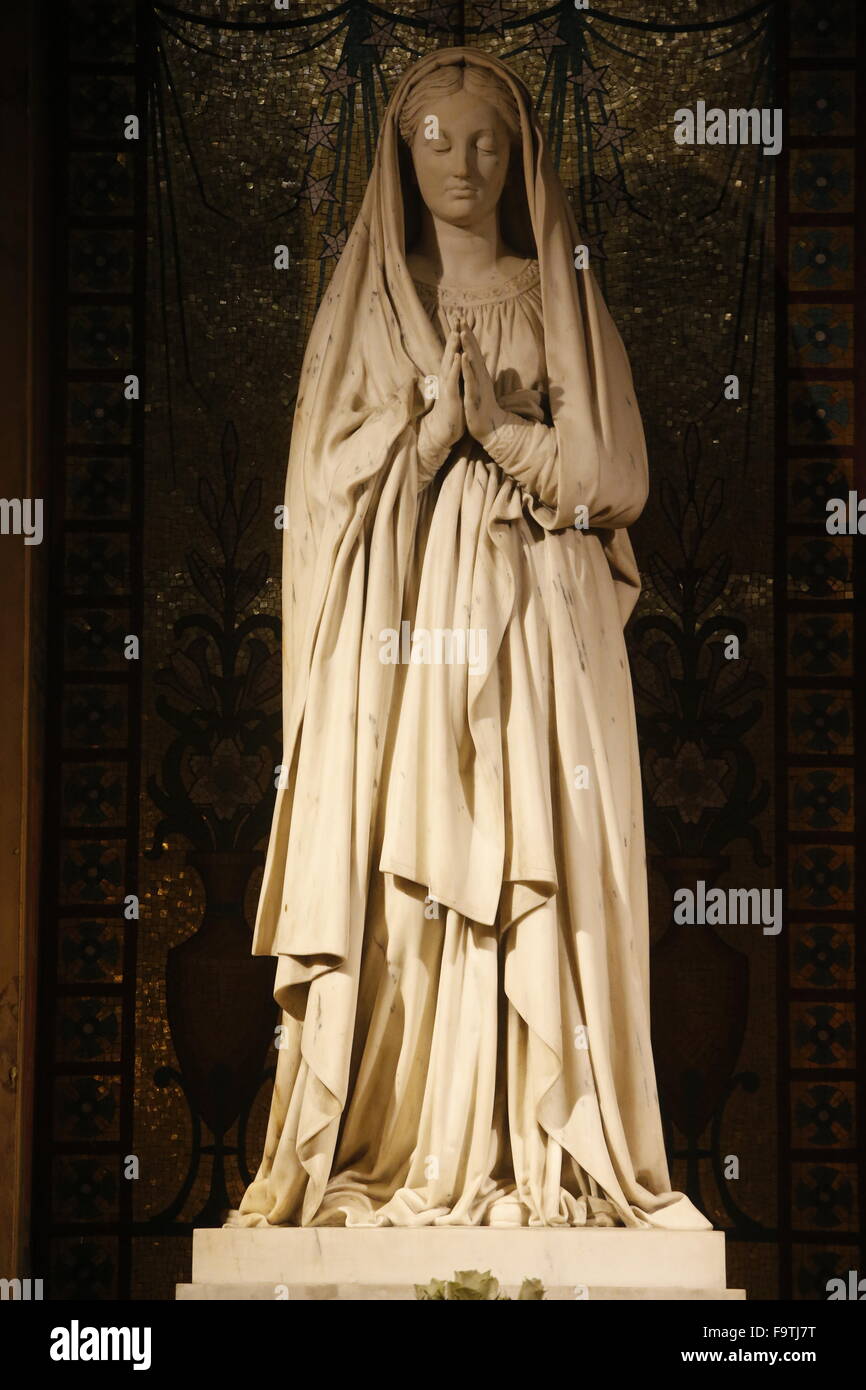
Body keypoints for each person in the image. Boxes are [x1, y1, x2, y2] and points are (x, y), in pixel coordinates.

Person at [226, 47, 711, 1231]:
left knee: (542, 861)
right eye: (434, 139)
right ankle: (408, 1141)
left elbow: (611, 475)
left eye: (484, 139)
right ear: (401, 155)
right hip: (401, 643)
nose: (460, 161)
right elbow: (326, 489)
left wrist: (500, 430)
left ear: (519, 156)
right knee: (412, 886)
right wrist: (432, 432)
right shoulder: (369, 303)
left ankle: (541, 1150)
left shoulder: (558, 291)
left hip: (542, 626)